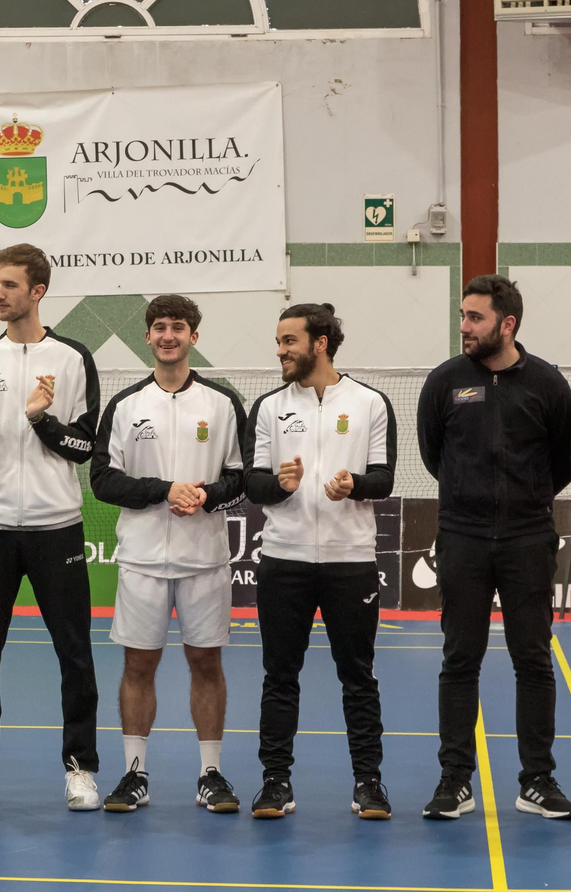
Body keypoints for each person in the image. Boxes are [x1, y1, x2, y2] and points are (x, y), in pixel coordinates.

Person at [0, 243, 102, 811]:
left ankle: (81, 768)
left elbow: (84, 447)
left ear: (38, 291)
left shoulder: (74, 358)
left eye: (9, 285)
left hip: (56, 527)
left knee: (74, 654)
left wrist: (41, 421)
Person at [418, 275, 571, 820]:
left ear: (507, 324)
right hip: (460, 537)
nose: (464, 326)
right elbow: (434, 455)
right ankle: (453, 781)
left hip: (528, 538)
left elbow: (562, 463)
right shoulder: (444, 382)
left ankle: (537, 782)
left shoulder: (550, 385)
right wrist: (470, 503)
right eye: (462, 315)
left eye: (475, 318)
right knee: (460, 660)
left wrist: (523, 505)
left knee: (533, 660)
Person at [90, 294, 247, 815]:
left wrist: (206, 494)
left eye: (178, 327)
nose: (168, 335)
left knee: (206, 662)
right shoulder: (125, 405)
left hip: (205, 557)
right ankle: (135, 774)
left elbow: (241, 477)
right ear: (148, 336)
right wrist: (164, 489)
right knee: (139, 665)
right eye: (159, 326)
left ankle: (211, 773)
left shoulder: (223, 404)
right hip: (142, 559)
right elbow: (104, 481)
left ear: (193, 337)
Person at [243, 304, 395, 820]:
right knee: (279, 675)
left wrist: (355, 485)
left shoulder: (371, 402)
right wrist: (279, 486)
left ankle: (369, 783)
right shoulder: (267, 407)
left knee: (358, 675)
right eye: (279, 340)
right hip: (284, 560)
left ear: (321, 342)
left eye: (289, 341)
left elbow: (384, 477)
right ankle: (275, 782)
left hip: (350, 562)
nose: (281, 350)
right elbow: (253, 481)